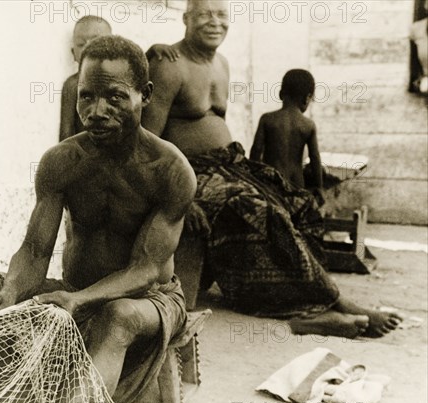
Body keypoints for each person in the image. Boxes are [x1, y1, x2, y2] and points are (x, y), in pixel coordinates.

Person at [0, 35, 197, 403]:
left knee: (118, 315)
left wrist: (80, 300)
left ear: (145, 95)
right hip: (73, 289)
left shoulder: (170, 169)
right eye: (87, 96)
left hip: (148, 300)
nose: (97, 110)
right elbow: (35, 251)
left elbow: (146, 270)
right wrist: (10, 292)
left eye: (114, 97)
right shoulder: (62, 161)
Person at [141, 0, 402, 338]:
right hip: (190, 172)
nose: (214, 22)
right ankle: (329, 306)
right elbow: (146, 142)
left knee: (299, 203)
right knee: (258, 211)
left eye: (222, 15)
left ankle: (312, 304)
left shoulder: (222, 63)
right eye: (204, 14)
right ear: (186, 19)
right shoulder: (168, 65)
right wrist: (180, 197)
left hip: (228, 165)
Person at [59, 16, 180, 141]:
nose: (89, 48)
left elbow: (135, 70)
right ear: (73, 53)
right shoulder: (72, 85)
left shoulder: (123, 80)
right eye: (81, 44)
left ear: (113, 44)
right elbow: (65, 133)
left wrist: (150, 53)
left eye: (97, 40)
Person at [250, 69, 323, 197]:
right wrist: (318, 187)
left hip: (271, 184)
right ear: (307, 98)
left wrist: (252, 180)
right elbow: (315, 158)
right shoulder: (308, 125)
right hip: (296, 185)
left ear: (280, 94)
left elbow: (256, 150)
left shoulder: (267, 119)